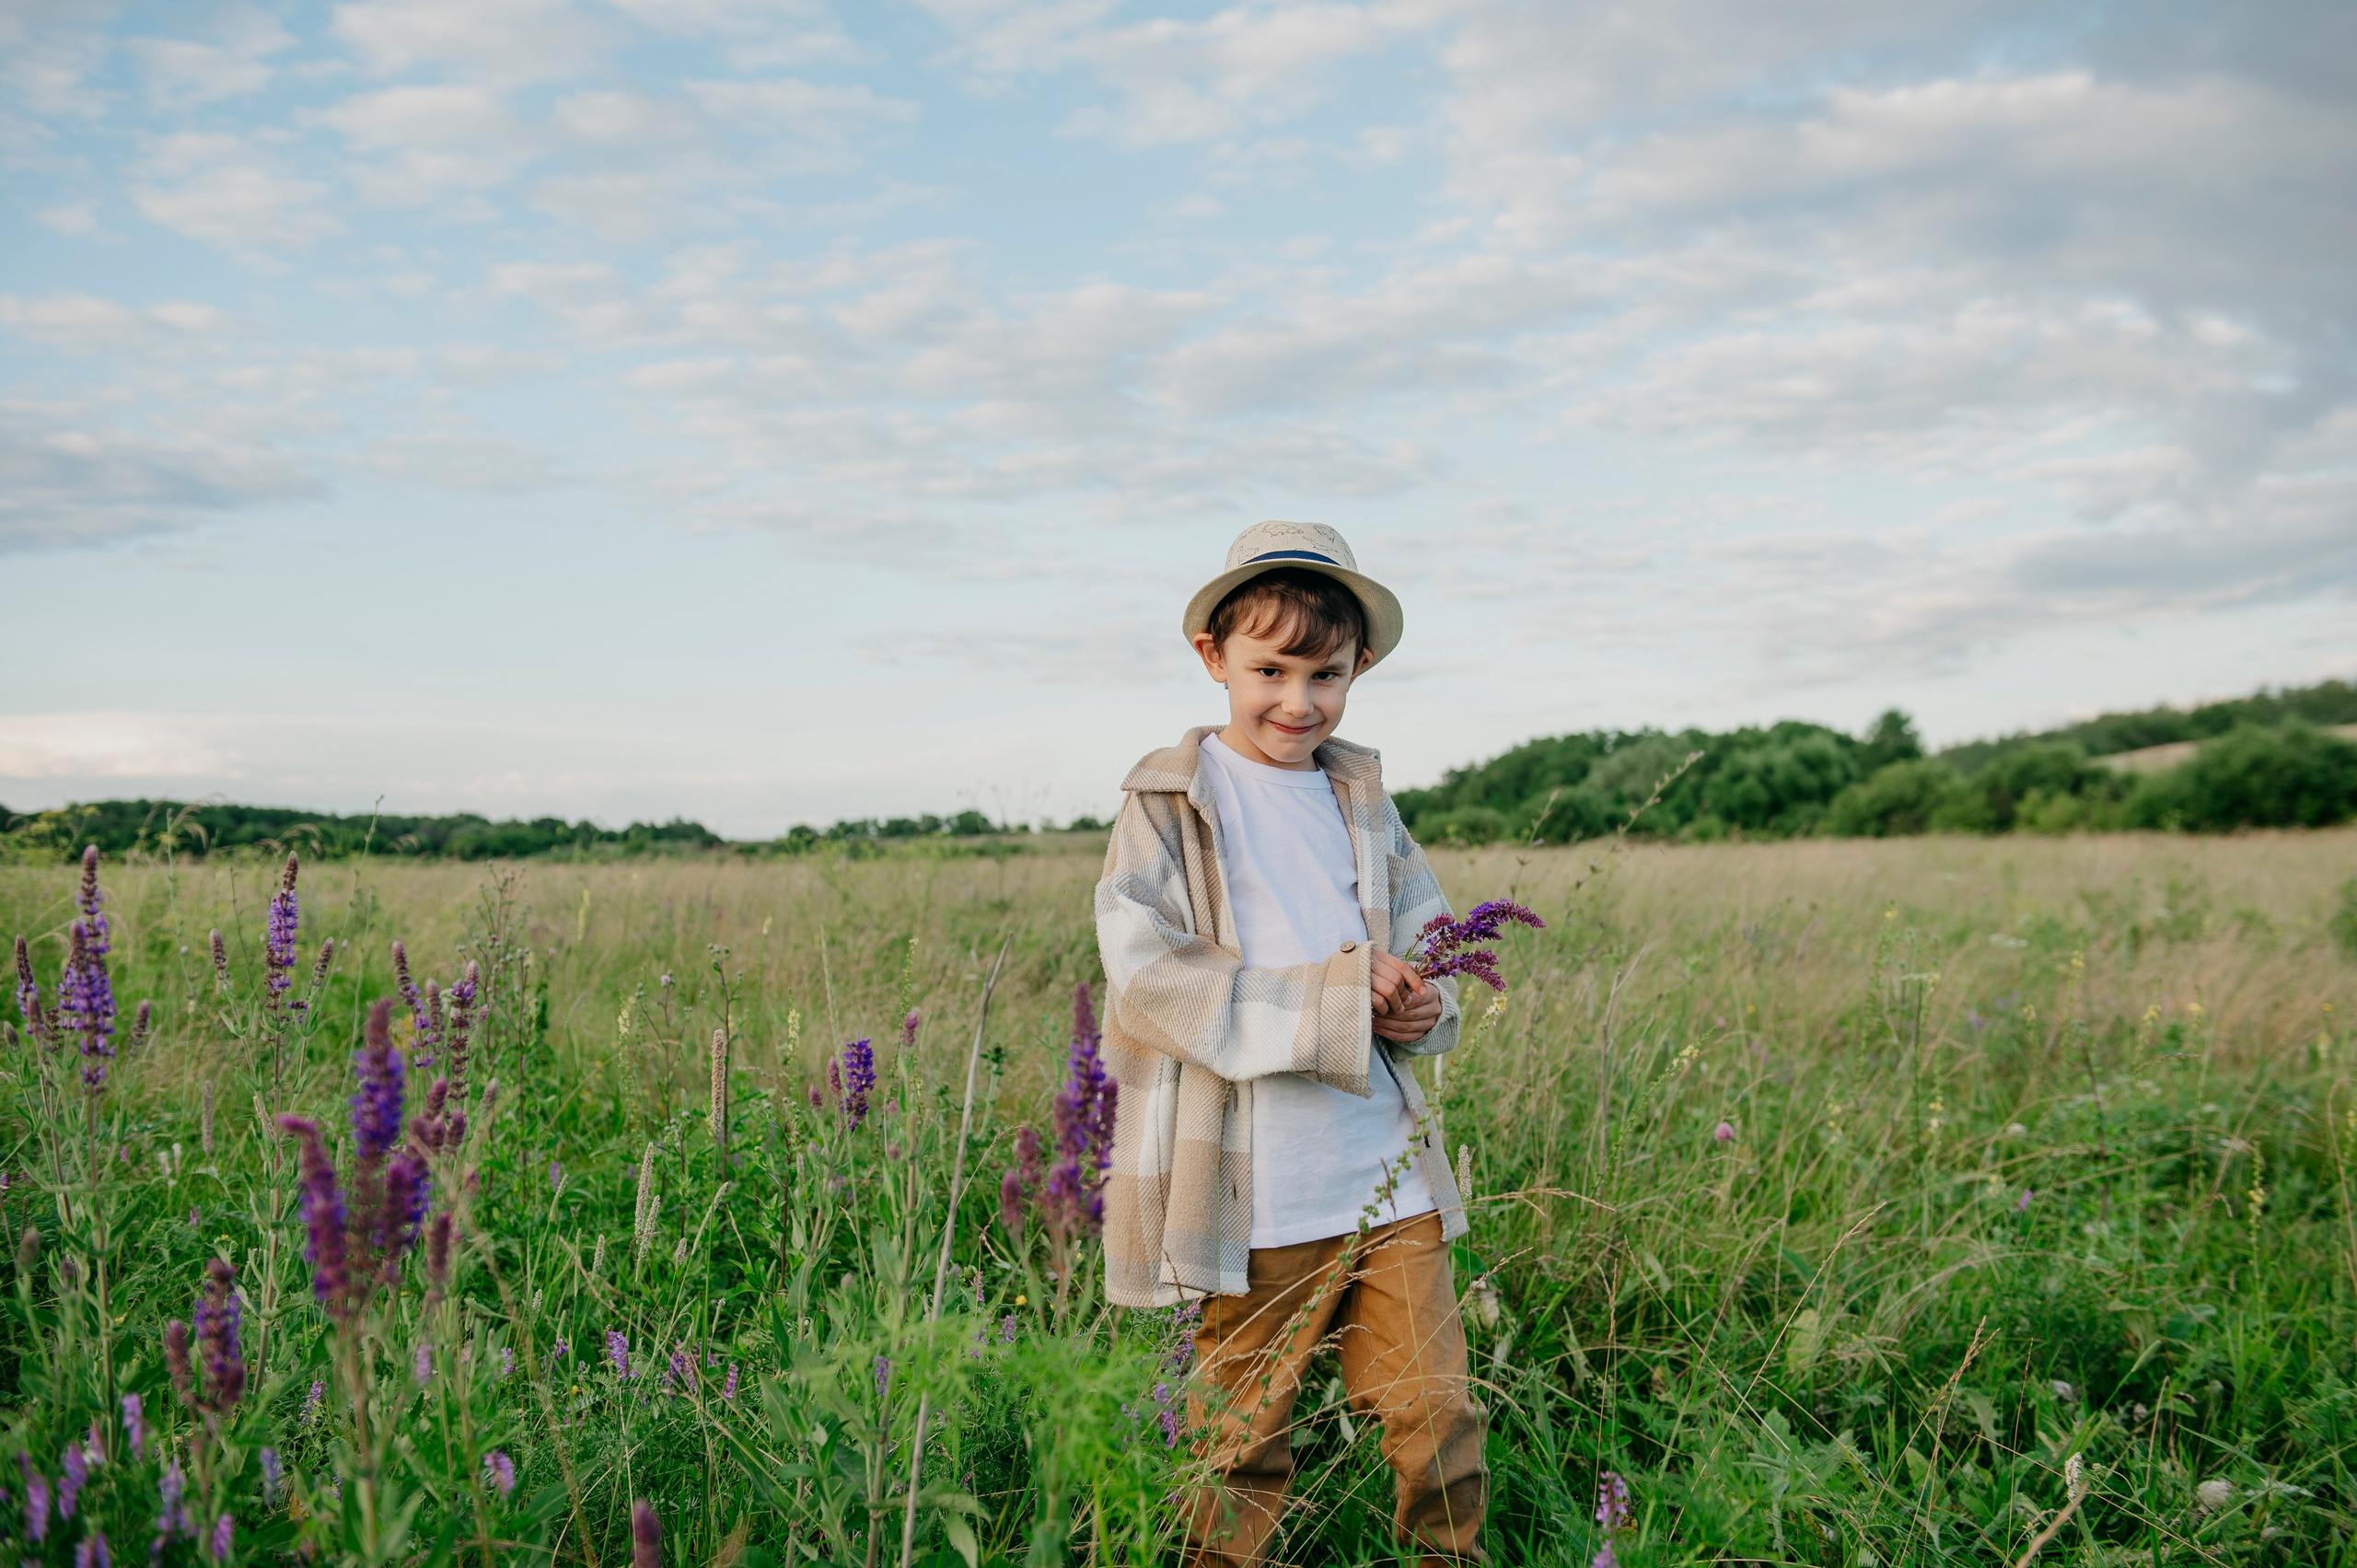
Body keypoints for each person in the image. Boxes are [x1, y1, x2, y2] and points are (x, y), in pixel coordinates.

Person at [1094, 521, 1486, 1566]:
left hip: (1385, 1173)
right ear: (1212, 657)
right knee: (1240, 1439)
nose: (1298, 701)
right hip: (1254, 1182)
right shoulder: (1170, 803)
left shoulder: (1358, 794)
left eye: (1327, 673)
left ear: (1358, 669)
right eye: (1270, 669)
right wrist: (1329, 993)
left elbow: (1427, 942)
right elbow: (1147, 974)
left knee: (1436, 1414)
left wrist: (1417, 1006)